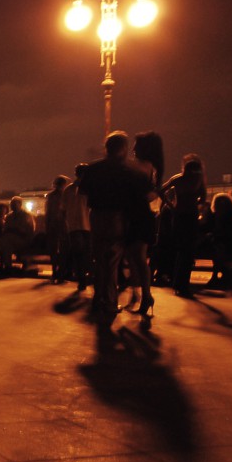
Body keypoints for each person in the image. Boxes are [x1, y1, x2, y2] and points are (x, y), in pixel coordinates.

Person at [78, 131, 150, 333]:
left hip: (96, 216)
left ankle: (97, 297)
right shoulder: (128, 171)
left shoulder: (93, 169)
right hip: (117, 217)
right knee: (111, 261)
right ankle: (108, 301)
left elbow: (82, 191)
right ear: (123, 149)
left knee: (99, 259)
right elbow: (146, 193)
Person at [123, 131, 164, 327]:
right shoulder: (150, 167)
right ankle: (139, 294)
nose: (133, 149)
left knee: (137, 257)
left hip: (138, 216)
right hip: (140, 216)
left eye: (136, 145)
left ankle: (144, 295)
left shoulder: (142, 166)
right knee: (134, 258)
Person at [160, 154, 207, 297]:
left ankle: (176, 283)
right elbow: (203, 199)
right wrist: (195, 204)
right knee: (188, 251)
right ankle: (183, 285)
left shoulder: (177, 179)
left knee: (179, 250)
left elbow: (161, 190)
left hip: (178, 215)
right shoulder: (199, 181)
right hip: (191, 216)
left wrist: (170, 205)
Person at [202, 192, 232, 289]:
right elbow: (207, 229)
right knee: (217, 249)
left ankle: (216, 277)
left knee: (218, 250)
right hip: (220, 243)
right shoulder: (215, 216)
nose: (220, 205)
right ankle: (222, 276)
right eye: (219, 203)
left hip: (230, 244)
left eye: (222, 203)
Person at [61, 163, 92, 293]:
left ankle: (81, 278)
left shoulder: (68, 190)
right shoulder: (90, 189)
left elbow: (63, 210)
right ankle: (86, 276)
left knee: (79, 254)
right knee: (87, 253)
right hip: (88, 226)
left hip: (73, 227)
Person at [0, 196, 35, 276]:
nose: (12, 206)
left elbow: (30, 230)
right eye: (11, 204)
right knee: (3, 243)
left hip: (22, 239)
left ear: (20, 204)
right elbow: (5, 230)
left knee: (5, 243)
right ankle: (6, 266)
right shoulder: (9, 216)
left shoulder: (26, 215)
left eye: (14, 204)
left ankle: (7, 266)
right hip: (9, 239)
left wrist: (17, 231)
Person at [44, 176, 69, 283]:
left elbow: (48, 213)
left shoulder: (50, 196)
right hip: (63, 226)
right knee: (63, 250)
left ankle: (55, 270)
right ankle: (62, 271)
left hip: (52, 225)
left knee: (53, 250)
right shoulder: (66, 195)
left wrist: (47, 225)